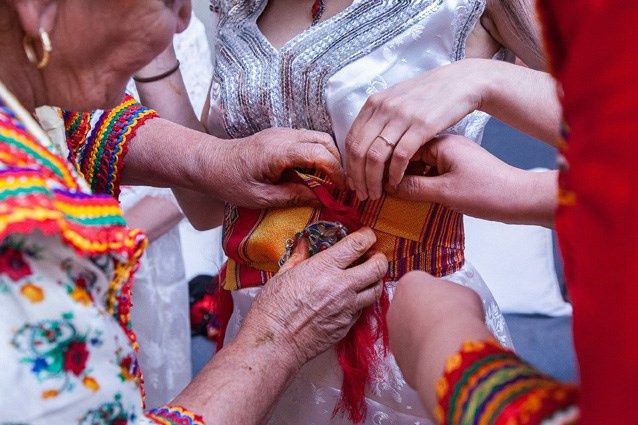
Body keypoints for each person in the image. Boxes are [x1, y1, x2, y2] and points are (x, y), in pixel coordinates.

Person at [135, 0, 560, 422]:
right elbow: (207, 207)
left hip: (411, 334)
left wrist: (483, 79)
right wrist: (155, 56)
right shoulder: (240, 9)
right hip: (261, 334)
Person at [0, 0, 386, 423]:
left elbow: (65, 128)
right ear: (38, 8)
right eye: (166, 1)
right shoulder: (18, 235)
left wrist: (215, 158)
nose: (185, 21)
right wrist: (277, 338)